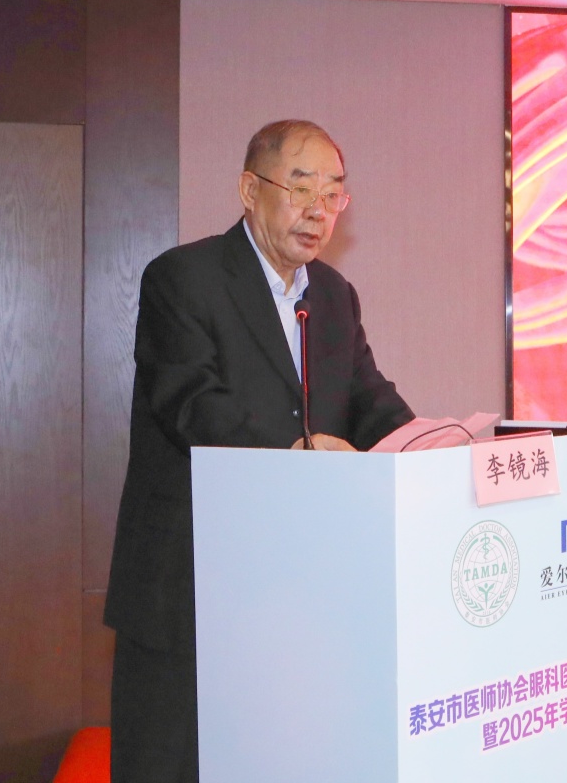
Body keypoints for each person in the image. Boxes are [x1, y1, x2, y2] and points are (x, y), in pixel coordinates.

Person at [104, 119, 418, 782]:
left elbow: (368, 400)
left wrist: (428, 447)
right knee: (171, 763)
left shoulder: (333, 296)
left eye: (333, 194)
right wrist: (295, 451)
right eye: (301, 188)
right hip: (188, 582)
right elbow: (191, 403)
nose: (319, 210)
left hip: (294, 593)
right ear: (250, 190)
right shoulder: (182, 278)